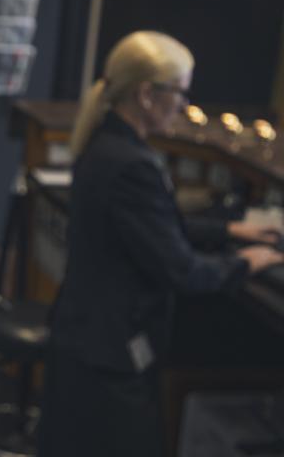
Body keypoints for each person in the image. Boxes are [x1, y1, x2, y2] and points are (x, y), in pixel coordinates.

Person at [36, 31, 284, 457]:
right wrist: (250, 262)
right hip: (111, 352)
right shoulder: (134, 165)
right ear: (147, 95)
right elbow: (183, 272)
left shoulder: (105, 142)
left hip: (84, 334)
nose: (185, 106)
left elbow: (151, 224)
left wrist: (228, 233)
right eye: (180, 93)